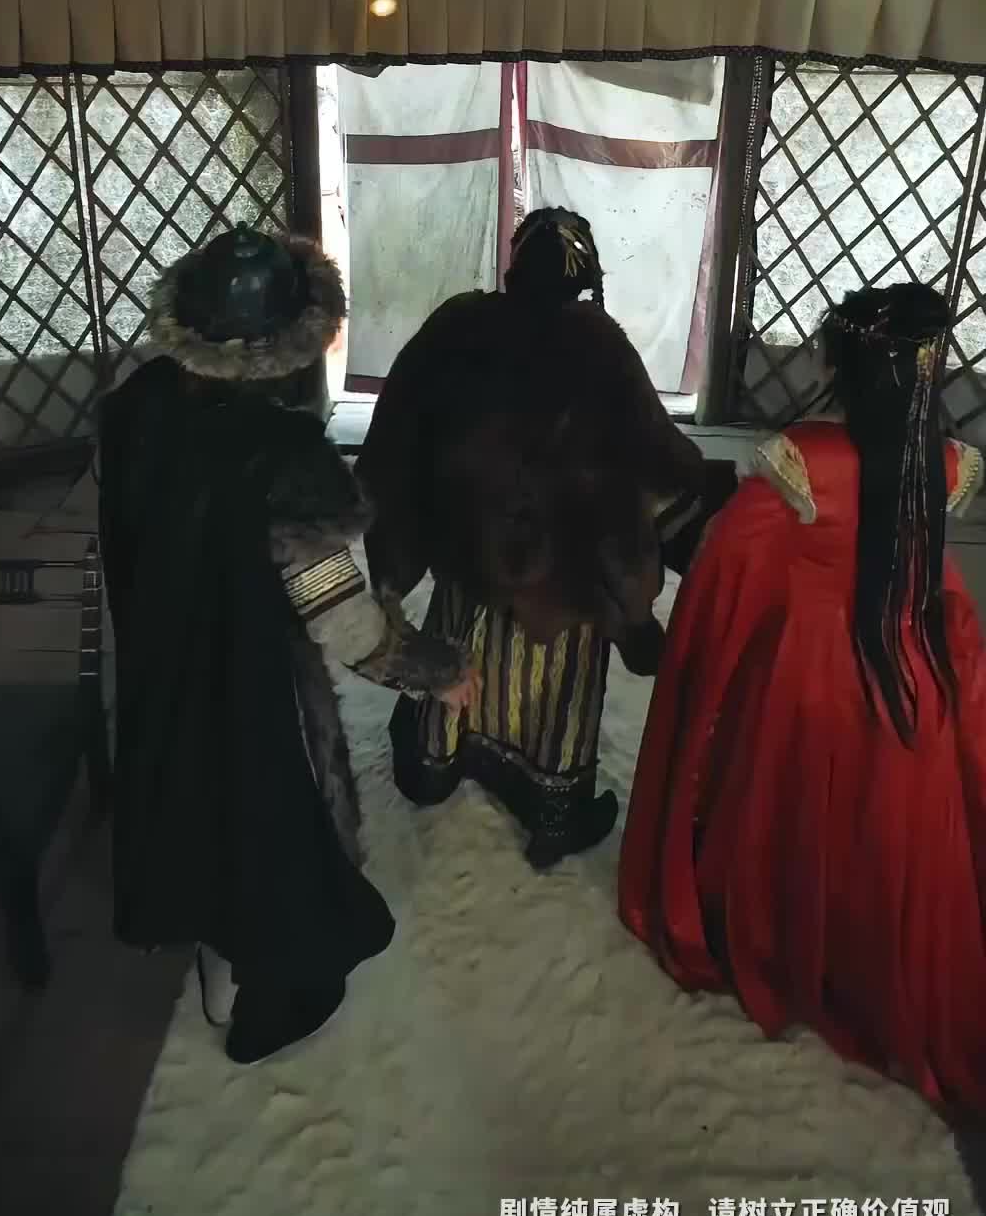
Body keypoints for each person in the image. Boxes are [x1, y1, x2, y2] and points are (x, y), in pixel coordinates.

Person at [97, 224, 474, 1066]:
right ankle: (264, 993)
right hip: (253, 683)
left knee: (185, 803)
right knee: (265, 826)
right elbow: (338, 613)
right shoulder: (288, 457)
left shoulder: (133, 408)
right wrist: (433, 671)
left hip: (161, 656)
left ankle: (213, 959)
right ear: (294, 342)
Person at [618, 282, 986, 1120]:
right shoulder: (953, 466)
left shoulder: (802, 459)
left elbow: (725, 569)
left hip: (810, 682)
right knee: (892, 842)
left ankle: (790, 951)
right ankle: (871, 975)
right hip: (913, 683)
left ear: (839, 366)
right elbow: (940, 586)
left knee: (791, 816)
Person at [356, 206, 737, 870]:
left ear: (514, 265)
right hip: (566, 580)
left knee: (459, 642)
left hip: (469, 559)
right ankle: (553, 808)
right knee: (561, 677)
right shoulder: (600, 343)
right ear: (586, 281)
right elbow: (659, 456)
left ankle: (436, 762)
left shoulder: (458, 323)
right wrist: (711, 511)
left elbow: (395, 439)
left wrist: (398, 554)